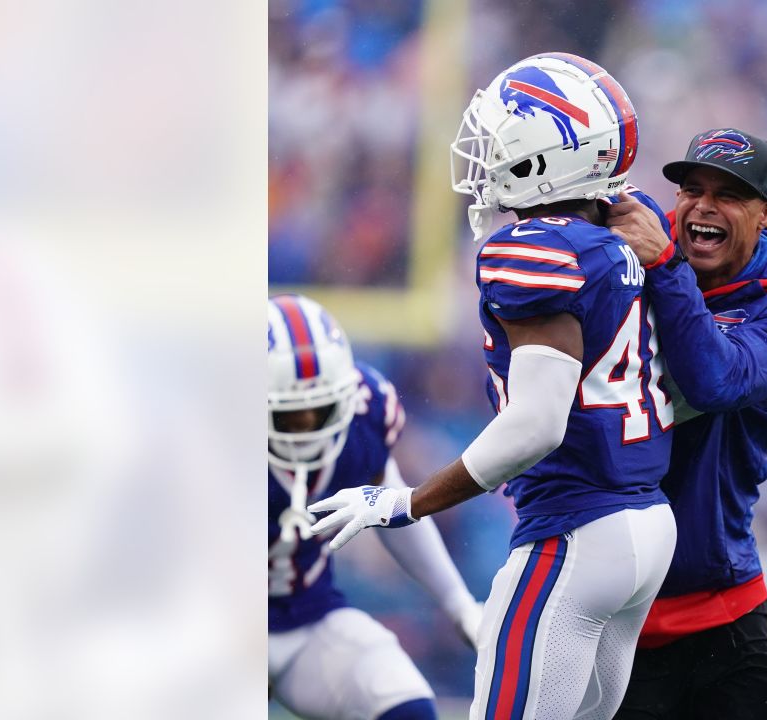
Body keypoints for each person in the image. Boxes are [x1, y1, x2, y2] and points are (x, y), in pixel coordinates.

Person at [308, 53, 677, 720]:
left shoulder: (533, 249)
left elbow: (537, 425)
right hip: (646, 522)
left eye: (504, 137)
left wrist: (411, 501)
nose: (487, 155)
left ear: (547, 157)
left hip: (576, 532)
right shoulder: (621, 239)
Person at [604, 129, 767, 719]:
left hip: (719, 611)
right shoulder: (627, 261)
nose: (703, 206)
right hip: (608, 604)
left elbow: (714, 380)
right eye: (692, 189)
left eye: (728, 194)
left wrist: (668, 268)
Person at [267, 293, 483, 720]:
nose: (305, 429)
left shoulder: (365, 417)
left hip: (305, 618)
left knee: (404, 703)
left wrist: (459, 604)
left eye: (320, 410)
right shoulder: (197, 435)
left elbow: (390, 508)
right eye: (288, 417)